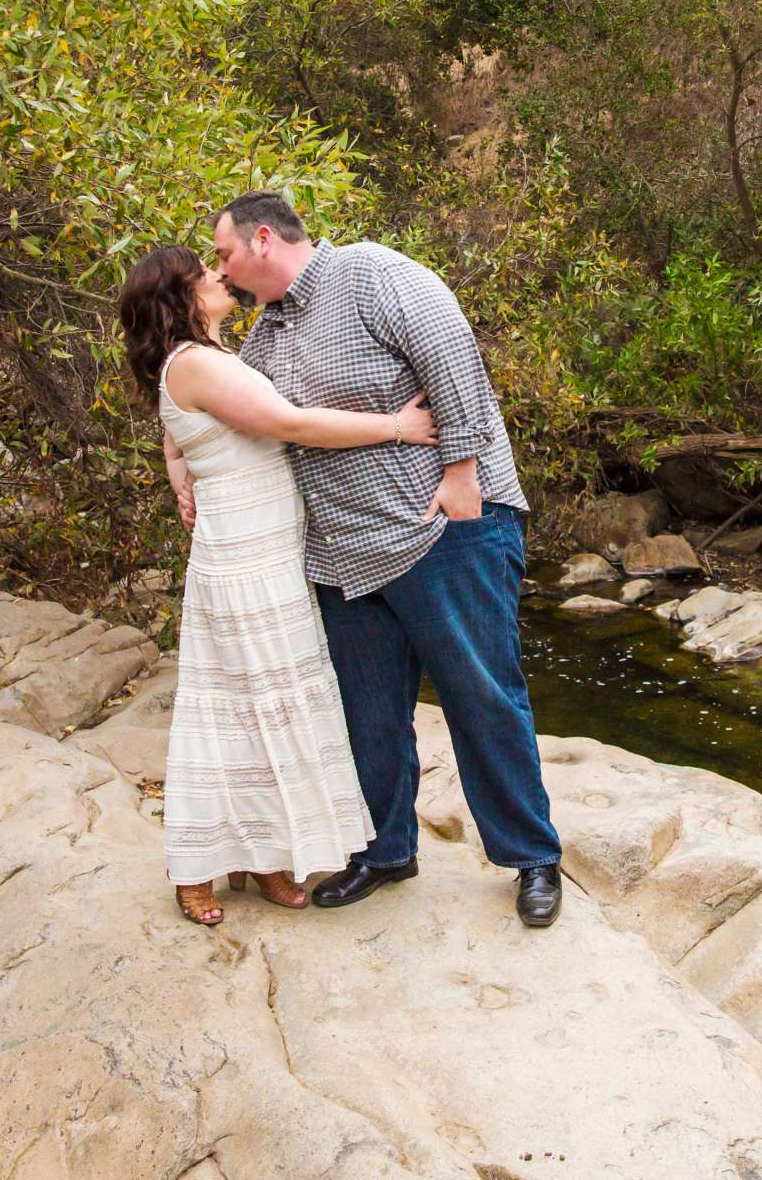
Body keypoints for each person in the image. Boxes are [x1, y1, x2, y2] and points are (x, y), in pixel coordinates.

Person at [211, 191, 564, 928]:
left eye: (225, 255)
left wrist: (464, 470)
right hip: (344, 554)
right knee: (369, 715)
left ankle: (531, 855)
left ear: (264, 240)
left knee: (482, 695)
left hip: (442, 527)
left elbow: (452, 354)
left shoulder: (370, 273)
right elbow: (251, 421)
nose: (224, 269)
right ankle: (385, 852)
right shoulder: (264, 339)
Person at [118, 245, 436, 927]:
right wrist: (397, 427)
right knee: (234, 702)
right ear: (180, 297)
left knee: (264, 698)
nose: (219, 276)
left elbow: (176, 438)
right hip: (242, 553)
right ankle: (196, 866)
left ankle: (261, 852)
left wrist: (180, 475)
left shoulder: (207, 358)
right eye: (205, 275)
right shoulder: (197, 363)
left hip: (266, 543)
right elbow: (289, 425)